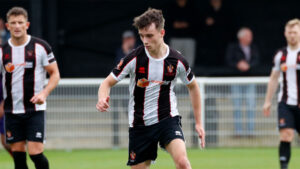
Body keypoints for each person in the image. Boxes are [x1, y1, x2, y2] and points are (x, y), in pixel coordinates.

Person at [96, 8, 205, 169]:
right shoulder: (134, 58)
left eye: (149, 36)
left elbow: (193, 87)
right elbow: (106, 83)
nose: (145, 41)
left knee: (183, 163)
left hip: (168, 119)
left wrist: (198, 122)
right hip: (140, 124)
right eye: (141, 36)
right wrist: (101, 98)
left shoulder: (177, 60)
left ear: (162, 33)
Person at [0, 7, 60, 169]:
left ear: (27, 24)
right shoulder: (2, 51)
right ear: (7, 26)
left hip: (35, 109)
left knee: (35, 153)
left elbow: (55, 74)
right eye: (13, 23)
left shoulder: (41, 47)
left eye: (20, 22)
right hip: (12, 111)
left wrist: (44, 93)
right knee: (18, 157)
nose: (17, 26)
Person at [263, 18, 300, 169]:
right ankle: (284, 167)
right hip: (285, 102)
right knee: (286, 135)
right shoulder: (280, 55)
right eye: (290, 32)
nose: (292, 35)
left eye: (295, 32)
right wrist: (267, 101)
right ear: (285, 33)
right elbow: (274, 78)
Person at [225, 27, 260, 136]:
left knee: (251, 105)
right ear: (241, 37)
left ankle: (250, 131)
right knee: (237, 106)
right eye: (248, 36)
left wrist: (248, 66)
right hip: (236, 79)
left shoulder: (254, 47)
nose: (251, 38)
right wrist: (238, 65)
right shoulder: (233, 47)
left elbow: (257, 60)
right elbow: (228, 60)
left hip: (250, 79)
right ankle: (238, 132)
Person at [165, 0, 197, 68]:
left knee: (189, 62)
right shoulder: (171, 8)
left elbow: (196, 22)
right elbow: (167, 22)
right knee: (174, 61)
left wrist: (186, 24)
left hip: (189, 38)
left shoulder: (192, 8)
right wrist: (175, 25)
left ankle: (188, 76)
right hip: (175, 38)